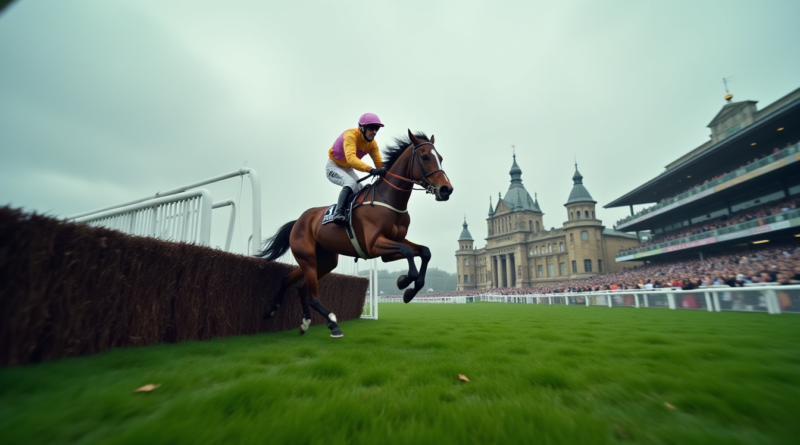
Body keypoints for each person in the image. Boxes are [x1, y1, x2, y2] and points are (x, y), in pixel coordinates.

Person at [325, 113, 387, 225]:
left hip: (347, 169)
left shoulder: (372, 144)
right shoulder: (350, 135)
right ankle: (339, 213)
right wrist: (370, 170)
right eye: (371, 128)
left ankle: (354, 214)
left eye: (376, 129)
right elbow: (351, 159)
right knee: (350, 183)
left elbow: (379, 164)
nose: (374, 132)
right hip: (334, 166)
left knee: (359, 189)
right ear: (362, 128)